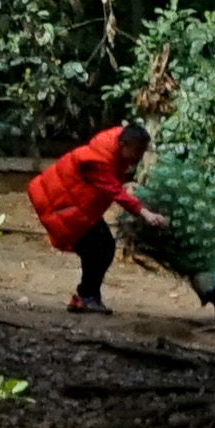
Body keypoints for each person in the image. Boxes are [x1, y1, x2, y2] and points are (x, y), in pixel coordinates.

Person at [27, 117, 156, 313]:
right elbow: (114, 190)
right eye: (137, 151)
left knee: (104, 247)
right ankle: (86, 297)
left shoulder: (110, 148)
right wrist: (143, 212)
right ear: (123, 144)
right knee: (97, 250)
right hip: (63, 208)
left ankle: (87, 296)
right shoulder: (98, 161)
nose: (138, 157)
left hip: (75, 206)